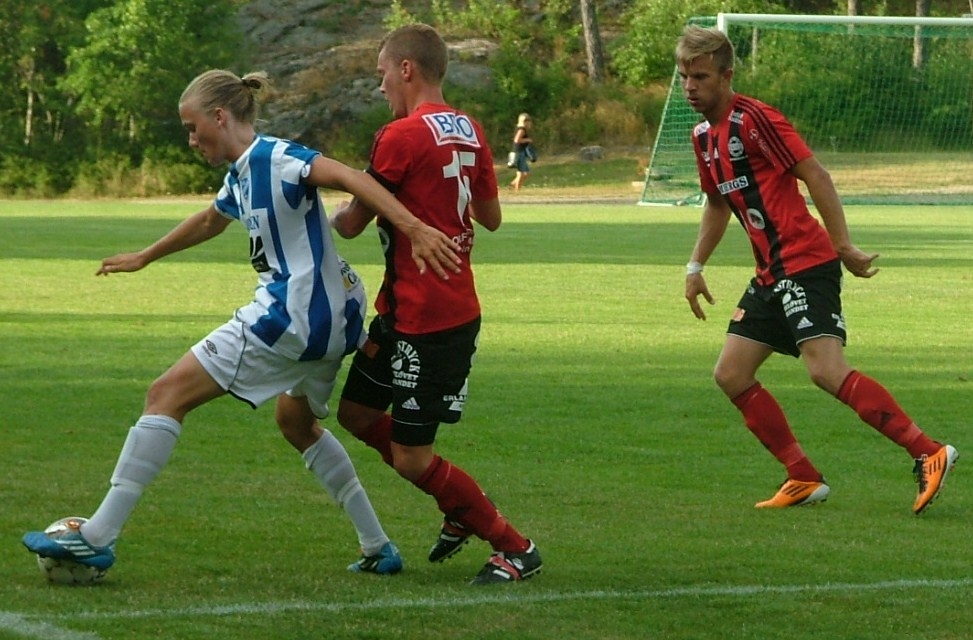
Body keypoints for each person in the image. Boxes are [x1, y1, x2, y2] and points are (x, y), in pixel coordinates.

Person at [22, 68, 464, 575]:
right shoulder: (241, 173)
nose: (191, 140)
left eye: (193, 128)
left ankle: (96, 536)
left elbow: (351, 177)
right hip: (334, 318)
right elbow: (211, 219)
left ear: (219, 116)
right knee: (296, 424)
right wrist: (146, 255)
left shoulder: (276, 158)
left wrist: (412, 226)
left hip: (292, 317)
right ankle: (377, 546)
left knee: (165, 394)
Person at [677, 25, 957, 513]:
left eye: (700, 77)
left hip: (805, 262)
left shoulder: (756, 119)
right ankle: (802, 476)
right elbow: (718, 205)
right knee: (731, 374)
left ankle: (928, 451)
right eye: (684, 77)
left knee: (826, 371)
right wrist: (695, 265)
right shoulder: (702, 137)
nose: (689, 87)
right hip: (770, 273)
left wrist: (843, 244)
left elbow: (816, 174)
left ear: (726, 76)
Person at [329, 24, 542, 585]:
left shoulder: (399, 135)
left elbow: (350, 224)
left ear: (406, 69)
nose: (380, 86)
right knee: (356, 414)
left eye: (382, 73)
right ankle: (458, 506)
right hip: (408, 310)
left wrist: (317, 206)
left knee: (412, 457)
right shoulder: (470, 129)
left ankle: (515, 547)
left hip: (430, 319)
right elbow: (491, 218)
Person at [510, 112, 534, 191]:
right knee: (521, 172)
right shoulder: (522, 129)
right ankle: (517, 190)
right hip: (519, 152)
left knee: (525, 172)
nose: (528, 123)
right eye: (527, 121)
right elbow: (517, 140)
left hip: (518, 151)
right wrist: (528, 140)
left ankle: (513, 185)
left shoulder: (519, 128)